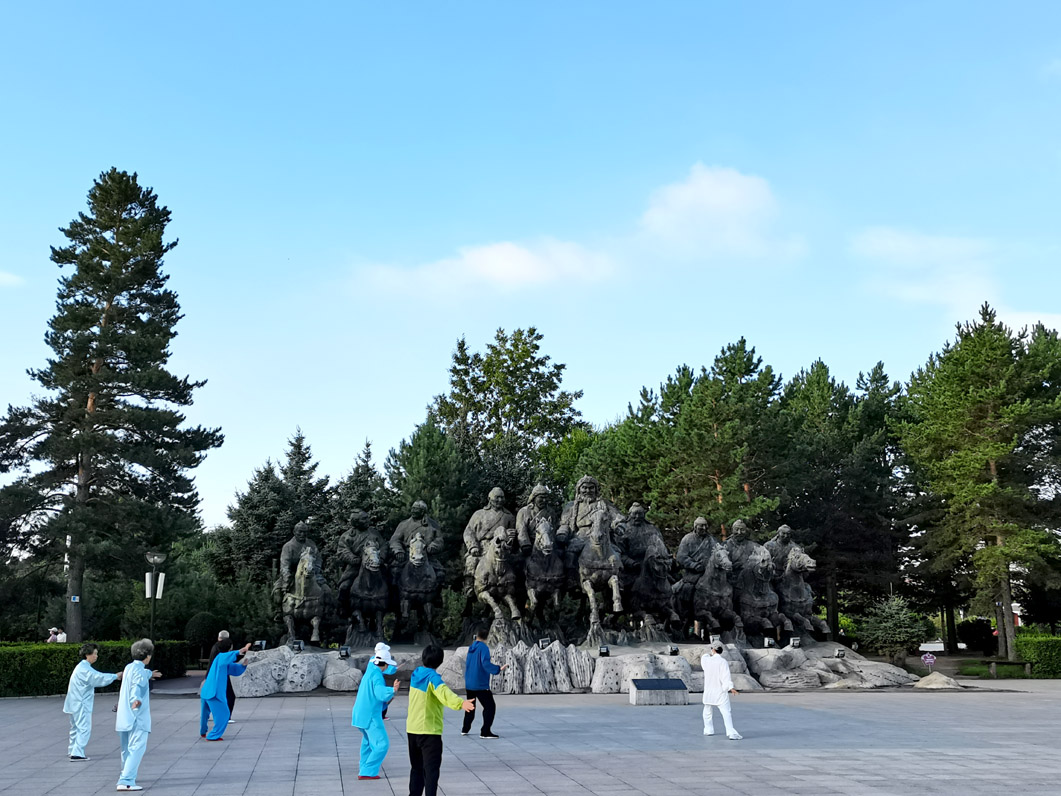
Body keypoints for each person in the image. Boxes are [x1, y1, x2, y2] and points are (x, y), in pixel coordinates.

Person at [406, 645, 475, 796]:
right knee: (431, 771)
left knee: (416, 768)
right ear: (440, 661)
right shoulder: (433, 678)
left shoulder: (416, 675)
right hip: (429, 731)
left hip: (412, 730)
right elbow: (444, 694)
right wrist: (461, 703)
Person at [115, 638, 161, 792]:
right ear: (147, 656)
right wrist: (137, 700)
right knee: (137, 748)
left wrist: (149, 673)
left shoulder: (129, 667)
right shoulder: (140, 671)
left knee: (126, 749)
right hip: (137, 717)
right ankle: (126, 780)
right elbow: (137, 686)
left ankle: (126, 773)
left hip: (124, 717)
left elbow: (138, 676)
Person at [64, 643, 123, 761]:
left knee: (76, 728)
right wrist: (115, 676)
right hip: (80, 703)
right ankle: (77, 752)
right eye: (95, 653)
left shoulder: (81, 667)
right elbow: (98, 678)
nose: (96, 656)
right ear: (87, 655)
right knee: (84, 728)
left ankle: (72, 749)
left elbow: (97, 676)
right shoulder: (84, 669)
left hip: (74, 702)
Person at [352, 642, 401, 780]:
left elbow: (378, 663)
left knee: (368, 743)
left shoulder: (371, 668)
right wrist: (393, 690)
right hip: (370, 716)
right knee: (382, 744)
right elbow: (380, 694)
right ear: (384, 664)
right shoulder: (377, 675)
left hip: (359, 714)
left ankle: (364, 768)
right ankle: (368, 771)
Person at [461, 627, 507, 738]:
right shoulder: (484, 648)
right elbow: (485, 663)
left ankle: (465, 729)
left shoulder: (471, 648)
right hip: (480, 683)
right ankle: (485, 731)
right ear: (487, 637)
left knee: (470, 706)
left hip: (469, 682)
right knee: (490, 707)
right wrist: (498, 669)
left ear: (477, 636)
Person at [200, 640, 250, 741]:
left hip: (206, 690)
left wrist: (243, 665)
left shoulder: (220, 661)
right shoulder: (221, 657)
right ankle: (213, 735)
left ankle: (203, 732)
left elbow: (232, 668)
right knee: (224, 714)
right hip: (214, 693)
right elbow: (226, 658)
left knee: (204, 714)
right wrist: (240, 651)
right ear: (229, 648)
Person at [701, 641, 742, 740]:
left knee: (707, 711)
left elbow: (704, 656)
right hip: (719, 691)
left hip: (709, 690)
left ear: (713, 650)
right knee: (726, 712)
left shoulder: (707, 661)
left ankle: (708, 730)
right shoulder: (722, 662)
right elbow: (725, 677)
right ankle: (731, 732)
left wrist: (710, 652)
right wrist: (730, 687)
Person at [206, 630, 237, 722]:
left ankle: (209, 714)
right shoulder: (221, 648)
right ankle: (226, 716)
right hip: (220, 675)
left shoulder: (215, 647)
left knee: (214, 695)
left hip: (213, 674)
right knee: (229, 695)